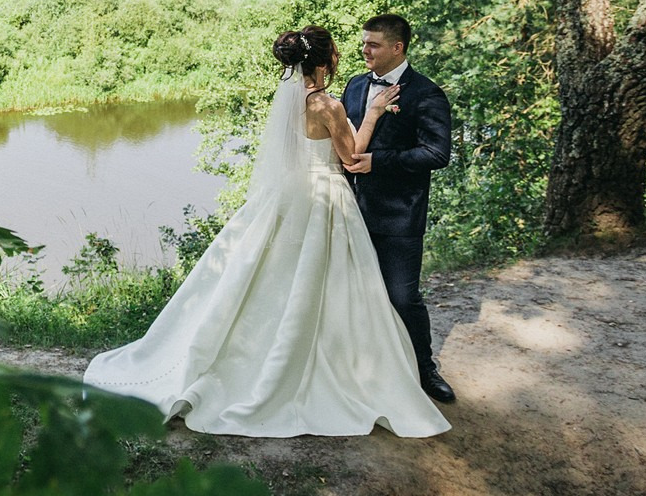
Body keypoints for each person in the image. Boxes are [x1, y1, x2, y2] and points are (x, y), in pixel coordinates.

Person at [83, 27, 449, 438]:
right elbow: (351, 158)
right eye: (341, 51)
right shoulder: (327, 102)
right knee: (328, 282)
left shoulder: (289, 97)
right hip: (325, 197)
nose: (354, 54)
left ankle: (262, 352)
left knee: (276, 277)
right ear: (326, 61)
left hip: (292, 195)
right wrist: (376, 113)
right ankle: (336, 364)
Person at [341, 13, 456, 404]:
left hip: (400, 214)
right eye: (363, 43)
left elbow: (437, 153)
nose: (364, 50)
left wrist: (380, 160)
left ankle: (424, 369)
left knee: (402, 296)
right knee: (353, 293)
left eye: (373, 44)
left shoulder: (426, 94)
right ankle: (365, 369)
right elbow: (346, 142)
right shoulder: (355, 87)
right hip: (351, 210)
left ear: (397, 48)